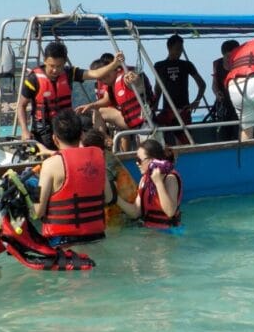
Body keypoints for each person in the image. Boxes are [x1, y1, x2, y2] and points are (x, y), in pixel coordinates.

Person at [16, 41, 124, 150]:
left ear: (64, 63)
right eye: (51, 66)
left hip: (67, 126)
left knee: (88, 128)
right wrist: (25, 131)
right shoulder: (33, 79)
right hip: (44, 130)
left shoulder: (69, 73)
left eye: (59, 66)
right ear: (45, 61)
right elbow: (21, 106)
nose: (55, 70)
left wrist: (114, 64)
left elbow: (95, 74)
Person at [35, 109, 115, 246]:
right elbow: (108, 198)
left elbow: (38, 212)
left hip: (63, 244)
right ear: (81, 135)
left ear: (55, 138)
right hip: (97, 239)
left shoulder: (49, 165)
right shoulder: (98, 159)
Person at [116, 139, 182, 229]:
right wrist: (115, 198)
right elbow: (136, 212)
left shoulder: (170, 179)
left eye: (139, 160)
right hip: (149, 232)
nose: (136, 163)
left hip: (169, 233)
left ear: (152, 160)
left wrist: (158, 183)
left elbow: (170, 211)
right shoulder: (144, 179)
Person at [152, 34, 206, 133]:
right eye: (177, 48)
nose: (180, 52)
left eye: (181, 49)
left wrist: (197, 101)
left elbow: (202, 84)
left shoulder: (186, 65)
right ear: (169, 47)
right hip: (167, 110)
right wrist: (155, 105)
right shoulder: (159, 66)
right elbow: (158, 88)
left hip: (184, 109)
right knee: (163, 135)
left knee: (184, 139)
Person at [211, 39, 239, 140]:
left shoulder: (241, 64)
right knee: (223, 136)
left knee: (238, 134)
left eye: (233, 56)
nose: (230, 59)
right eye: (228, 56)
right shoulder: (217, 64)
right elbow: (214, 84)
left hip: (239, 105)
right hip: (224, 105)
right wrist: (217, 93)